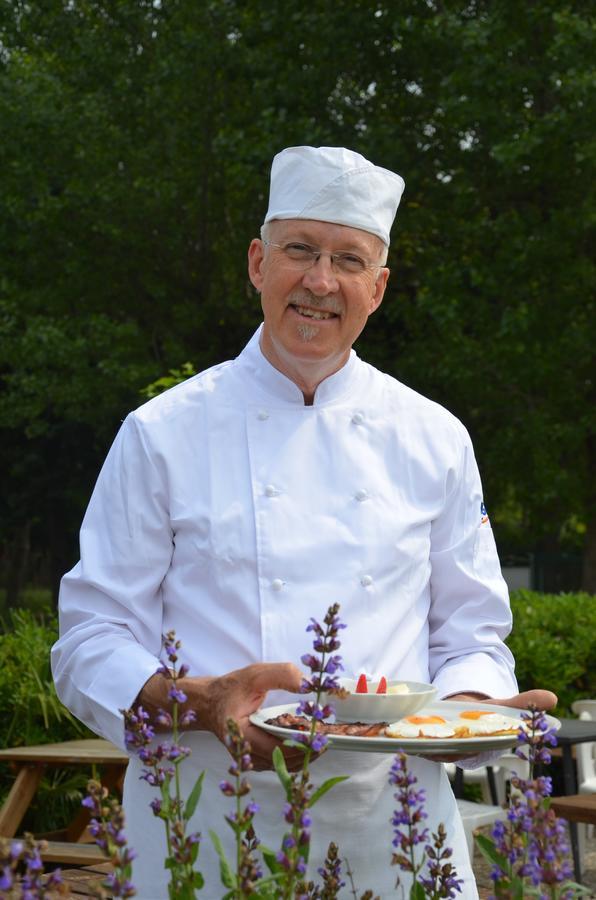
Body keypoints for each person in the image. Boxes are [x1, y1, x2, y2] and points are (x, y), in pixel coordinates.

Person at [52, 146, 556, 899]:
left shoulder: (435, 437)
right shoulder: (161, 432)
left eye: (348, 259)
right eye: (300, 251)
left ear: (377, 289)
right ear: (258, 263)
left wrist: (471, 714)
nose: (321, 281)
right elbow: (90, 639)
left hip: (394, 831)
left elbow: (472, 635)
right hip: (208, 827)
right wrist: (198, 702)